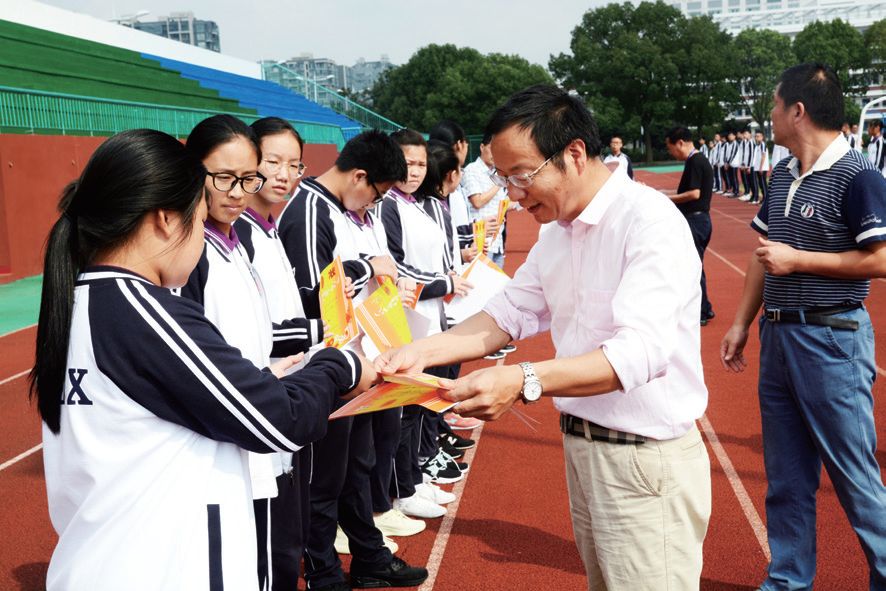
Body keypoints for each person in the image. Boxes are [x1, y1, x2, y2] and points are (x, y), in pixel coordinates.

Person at [378, 85, 712, 591]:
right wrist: (416, 353)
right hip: (586, 450)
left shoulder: (649, 222)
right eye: (504, 178)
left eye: (522, 176)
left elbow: (640, 353)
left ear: (574, 154)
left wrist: (523, 379)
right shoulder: (559, 231)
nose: (513, 194)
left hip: (645, 461)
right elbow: (507, 314)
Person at [32, 129, 374, 591]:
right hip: (156, 566)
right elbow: (277, 419)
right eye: (197, 219)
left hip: (112, 556)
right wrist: (341, 364)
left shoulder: (86, 300)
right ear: (166, 220)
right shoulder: (139, 310)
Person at [720, 63, 886, 591]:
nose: (768, 115)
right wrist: (742, 321)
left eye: (772, 104)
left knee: (855, 477)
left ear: (798, 111)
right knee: (786, 480)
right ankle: (788, 580)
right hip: (779, 336)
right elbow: (762, 254)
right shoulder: (784, 174)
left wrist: (803, 260)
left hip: (832, 338)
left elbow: (881, 259)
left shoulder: (859, 176)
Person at [277, 130, 428, 591]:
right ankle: (323, 571)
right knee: (324, 479)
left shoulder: (348, 211)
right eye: (376, 194)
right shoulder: (309, 209)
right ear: (359, 176)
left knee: (356, 467)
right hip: (327, 365)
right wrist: (371, 269)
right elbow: (313, 294)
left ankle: (367, 554)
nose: (374, 204)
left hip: (359, 359)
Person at [236, 117, 322, 590]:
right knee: (267, 550)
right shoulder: (238, 235)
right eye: (273, 162)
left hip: (290, 398)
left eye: (295, 164)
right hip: (263, 404)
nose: (285, 174)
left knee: (288, 535)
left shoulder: (267, 229)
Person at [665, 126, 715, 327]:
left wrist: (667, 198)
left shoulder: (695, 161)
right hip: (699, 220)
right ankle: (705, 307)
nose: (671, 153)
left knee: (693, 268)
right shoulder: (697, 160)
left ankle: (701, 310)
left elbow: (694, 193)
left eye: (671, 148)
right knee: (696, 267)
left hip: (696, 220)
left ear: (680, 143)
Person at [461, 135, 507, 268]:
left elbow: (501, 205)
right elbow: (477, 201)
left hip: (497, 241)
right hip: (481, 241)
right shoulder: (472, 170)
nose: (495, 155)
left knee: (497, 286)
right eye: (492, 149)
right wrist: (499, 183)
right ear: (482, 147)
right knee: (481, 285)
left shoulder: (496, 174)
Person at [750, 130, 769, 205]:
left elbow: (763, 156)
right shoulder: (757, 146)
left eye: (758, 136)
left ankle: (766, 200)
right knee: (761, 184)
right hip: (758, 168)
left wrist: (761, 167)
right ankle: (764, 198)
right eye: (755, 136)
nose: (756, 138)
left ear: (762, 137)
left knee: (763, 183)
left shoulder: (763, 144)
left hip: (762, 168)